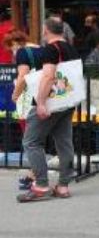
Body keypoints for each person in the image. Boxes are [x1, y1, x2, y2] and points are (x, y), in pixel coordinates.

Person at [17, 17, 80, 203]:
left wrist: (42, 103)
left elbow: (48, 76)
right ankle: (63, 186)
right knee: (64, 142)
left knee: (31, 141)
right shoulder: (71, 48)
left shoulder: (51, 50)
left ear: (46, 30)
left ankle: (41, 185)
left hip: (51, 101)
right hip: (67, 100)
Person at [3, 30, 43, 191]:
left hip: (28, 100)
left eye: (10, 47)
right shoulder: (40, 49)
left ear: (15, 43)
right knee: (38, 138)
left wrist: (15, 94)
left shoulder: (22, 52)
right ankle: (37, 173)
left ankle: (36, 175)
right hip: (42, 97)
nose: (11, 51)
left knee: (29, 138)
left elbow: (23, 76)